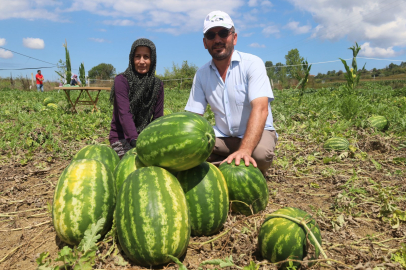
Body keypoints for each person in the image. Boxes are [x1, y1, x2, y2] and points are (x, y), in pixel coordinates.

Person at [185, 10, 277, 175]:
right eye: (211, 35)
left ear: (234, 37)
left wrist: (245, 149)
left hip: (258, 132)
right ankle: (231, 162)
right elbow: (193, 116)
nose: (218, 39)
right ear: (205, 42)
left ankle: (226, 162)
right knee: (190, 150)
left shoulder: (252, 64)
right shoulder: (201, 74)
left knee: (260, 155)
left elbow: (261, 109)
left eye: (223, 33)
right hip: (223, 137)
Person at [109, 38, 164, 158]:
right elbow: (124, 113)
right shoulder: (121, 80)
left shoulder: (157, 85)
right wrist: (135, 140)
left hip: (145, 137)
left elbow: (158, 118)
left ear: (152, 59)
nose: (142, 61)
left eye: (146, 57)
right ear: (132, 59)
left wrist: (156, 141)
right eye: (137, 56)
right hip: (122, 138)